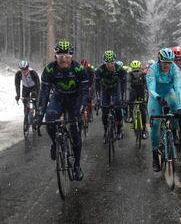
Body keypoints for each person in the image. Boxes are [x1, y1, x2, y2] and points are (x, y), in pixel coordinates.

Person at [38, 39, 89, 181]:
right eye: (60, 56)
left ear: (72, 56)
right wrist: (40, 114)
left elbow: (85, 92)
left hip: (75, 99)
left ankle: (77, 166)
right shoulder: (49, 69)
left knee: (75, 132)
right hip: (58, 98)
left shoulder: (79, 70)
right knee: (50, 119)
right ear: (56, 56)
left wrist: (80, 109)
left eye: (67, 56)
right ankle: (55, 143)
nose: (64, 59)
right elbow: (44, 93)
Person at [146, 48, 181, 172]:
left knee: (174, 104)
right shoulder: (153, 69)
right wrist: (157, 97)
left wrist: (180, 108)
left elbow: (178, 88)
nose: (167, 65)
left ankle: (174, 133)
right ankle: (154, 155)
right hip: (155, 96)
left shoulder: (175, 69)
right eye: (165, 62)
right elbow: (151, 87)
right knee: (156, 124)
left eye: (170, 62)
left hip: (168, 93)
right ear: (159, 61)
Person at [95, 50, 127, 142]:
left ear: (115, 61)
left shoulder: (119, 69)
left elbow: (126, 84)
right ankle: (105, 131)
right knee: (104, 110)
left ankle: (119, 129)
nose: (110, 65)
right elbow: (96, 86)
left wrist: (125, 98)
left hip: (116, 88)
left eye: (112, 62)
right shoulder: (100, 70)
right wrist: (97, 99)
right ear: (104, 62)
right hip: (105, 89)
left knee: (117, 107)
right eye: (107, 63)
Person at [15, 60, 41, 136]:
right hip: (25, 88)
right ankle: (26, 120)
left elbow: (38, 85)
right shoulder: (18, 74)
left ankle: (35, 116)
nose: (24, 71)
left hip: (34, 88)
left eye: (25, 69)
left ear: (28, 68)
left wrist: (37, 95)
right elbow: (17, 85)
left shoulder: (33, 73)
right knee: (26, 106)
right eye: (22, 70)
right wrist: (18, 95)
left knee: (34, 102)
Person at [128, 60, 148, 139]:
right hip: (133, 92)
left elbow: (147, 87)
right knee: (131, 102)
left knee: (143, 112)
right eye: (134, 71)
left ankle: (143, 130)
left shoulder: (144, 76)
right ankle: (131, 116)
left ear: (141, 70)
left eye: (137, 71)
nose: (136, 73)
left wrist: (146, 98)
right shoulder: (129, 76)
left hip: (141, 92)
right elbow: (127, 86)